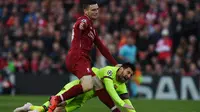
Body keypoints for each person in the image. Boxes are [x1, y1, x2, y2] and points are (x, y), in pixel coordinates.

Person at [48, 1, 121, 112]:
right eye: (93, 10)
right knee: (88, 86)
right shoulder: (84, 20)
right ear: (86, 11)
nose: (96, 12)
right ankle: (57, 99)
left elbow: (102, 48)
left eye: (97, 9)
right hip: (77, 57)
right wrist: (83, 25)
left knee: (98, 85)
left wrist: (115, 64)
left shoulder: (93, 30)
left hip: (83, 59)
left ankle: (115, 110)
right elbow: (80, 23)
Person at [14, 63, 136, 112]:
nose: (129, 76)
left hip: (82, 100)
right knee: (53, 106)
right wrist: (119, 103)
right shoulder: (109, 71)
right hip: (77, 89)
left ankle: (29, 107)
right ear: (121, 69)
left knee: (57, 111)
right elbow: (109, 88)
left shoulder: (122, 86)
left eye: (131, 75)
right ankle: (31, 108)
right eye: (128, 72)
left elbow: (128, 103)